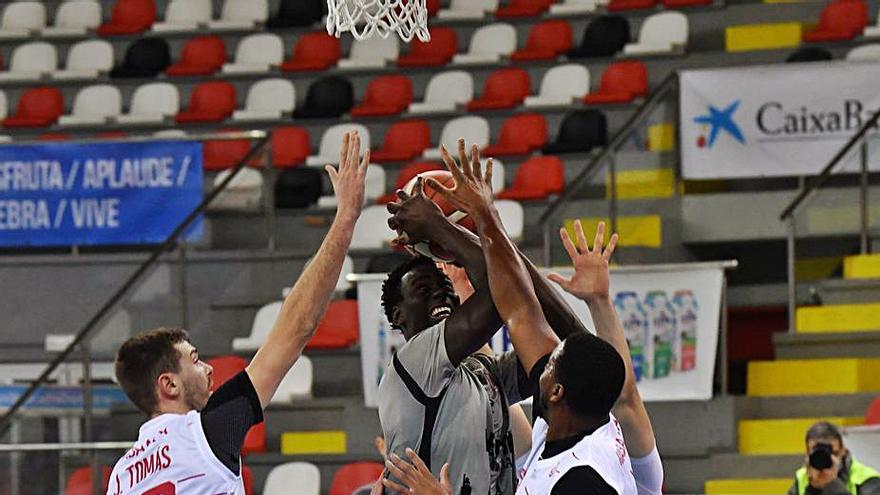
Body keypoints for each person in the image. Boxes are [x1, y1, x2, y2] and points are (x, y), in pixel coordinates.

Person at [106, 132, 370, 495]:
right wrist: (345, 221)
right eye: (194, 361)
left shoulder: (120, 476)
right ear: (169, 384)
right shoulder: (207, 432)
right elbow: (295, 330)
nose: (209, 368)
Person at [379, 140, 591, 495]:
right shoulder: (413, 363)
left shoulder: (481, 373)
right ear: (398, 316)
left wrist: (484, 227)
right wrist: (465, 225)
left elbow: (565, 342)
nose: (441, 294)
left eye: (446, 287)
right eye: (424, 290)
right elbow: (503, 295)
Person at [547, 220, 664, 495]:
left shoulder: (620, 458)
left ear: (557, 391)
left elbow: (624, 398)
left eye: (551, 367)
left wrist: (599, 301)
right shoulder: (540, 446)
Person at [787, 421, 880, 495]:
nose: (825, 459)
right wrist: (813, 489)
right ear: (807, 454)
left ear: (843, 450)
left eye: (834, 453)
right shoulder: (801, 477)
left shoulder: (866, 478)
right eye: (817, 454)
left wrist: (832, 483)